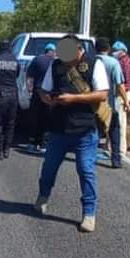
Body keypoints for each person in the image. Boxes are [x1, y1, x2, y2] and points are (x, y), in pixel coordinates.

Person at [35, 35, 109, 232]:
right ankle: (43, 196)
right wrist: (47, 99)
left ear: (78, 49)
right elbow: (43, 89)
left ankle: (89, 213)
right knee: (49, 168)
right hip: (58, 129)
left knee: (86, 171)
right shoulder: (56, 65)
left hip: (84, 129)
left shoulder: (94, 64)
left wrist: (74, 99)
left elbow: (102, 94)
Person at [94, 37, 130, 169]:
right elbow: (119, 85)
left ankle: (89, 156)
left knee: (94, 131)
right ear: (108, 49)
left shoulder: (89, 62)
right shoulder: (113, 63)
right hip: (110, 104)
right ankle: (116, 160)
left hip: (92, 104)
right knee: (114, 131)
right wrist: (126, 101)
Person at [25, 42, 56, 151]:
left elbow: (29, 77)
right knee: (46, 118)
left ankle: (32, 142)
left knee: (34, 118)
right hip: (49, 94)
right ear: (53, 51)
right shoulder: (55, 62)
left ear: (45, 50)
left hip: (37, 92)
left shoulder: (37, 60)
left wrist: (29, 89)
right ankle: (42, 143)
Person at [111, 40, 130, 160]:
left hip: (122, 93)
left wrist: (125, 99)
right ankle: (113, 147)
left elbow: (123, 83)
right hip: (120, 92)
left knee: (120, 122)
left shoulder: (124, 62)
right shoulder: (121, 61)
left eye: (115, 51)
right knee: (116, 121)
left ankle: (120, 150)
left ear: (122, 51)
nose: (113, 52)